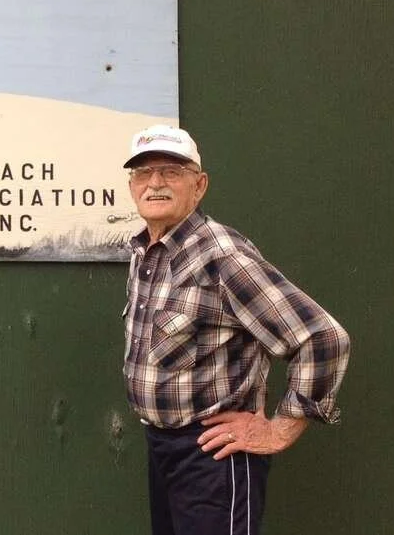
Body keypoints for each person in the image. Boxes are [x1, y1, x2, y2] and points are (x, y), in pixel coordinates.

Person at [121, 124, 350, 535]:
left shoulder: (222, 256)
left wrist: (280, 430)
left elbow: (322, 337)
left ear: (199, 185)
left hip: (213, 455)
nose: (155, 183)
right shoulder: (145, 252)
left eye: (171, 172)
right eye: (143, 172)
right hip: (161, 449)